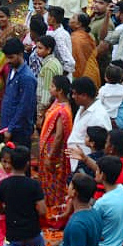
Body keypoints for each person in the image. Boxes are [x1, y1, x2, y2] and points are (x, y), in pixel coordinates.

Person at [0, 144, 47, 246]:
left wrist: (9, 210)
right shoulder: (34, 185)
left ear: (11, 163)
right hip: (33, 232)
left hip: (12, 234)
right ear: (27, 164)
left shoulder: (4, 185)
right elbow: (42, 210)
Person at [43, 172, 103, 246]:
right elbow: (92, 238)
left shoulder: (78, 223)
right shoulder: (94, 213)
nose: (68, 186)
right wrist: (59, 244)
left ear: (75, 192)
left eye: (70, 184)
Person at [40, 73, 74, 225]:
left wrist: (50, 156)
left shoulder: (63, 110)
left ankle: (56, 216)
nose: (50, 88)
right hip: (48, 148)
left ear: (59, 90)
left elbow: (59, 135)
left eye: (52, 86)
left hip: (55, 152)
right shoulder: (57, 103)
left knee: (54, 184)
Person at [0, 38, 37, 148]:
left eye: (11, 57)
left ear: (20, 54)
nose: (8, 61)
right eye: (6, 58)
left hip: (19, 131)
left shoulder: (26, 78)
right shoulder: (12, 69)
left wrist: (10, 129)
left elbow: (24, 107)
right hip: (8, 125)